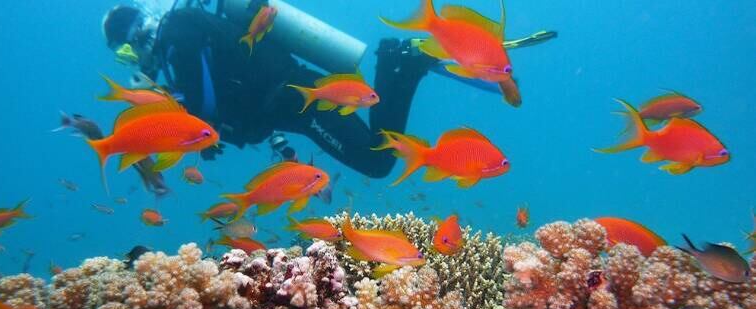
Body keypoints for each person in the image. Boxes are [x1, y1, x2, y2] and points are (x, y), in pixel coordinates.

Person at [102, 1, 555, 178]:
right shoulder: (183, 33)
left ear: (135, 36)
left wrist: (185, 125)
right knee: (377, 157)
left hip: (298, 99)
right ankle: (403, 64)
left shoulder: (177, 35)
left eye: (127, 53)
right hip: (289, 103)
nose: (136, 62)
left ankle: (401, 63)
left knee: (378, 160)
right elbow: (230, 84)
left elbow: (204, 102)